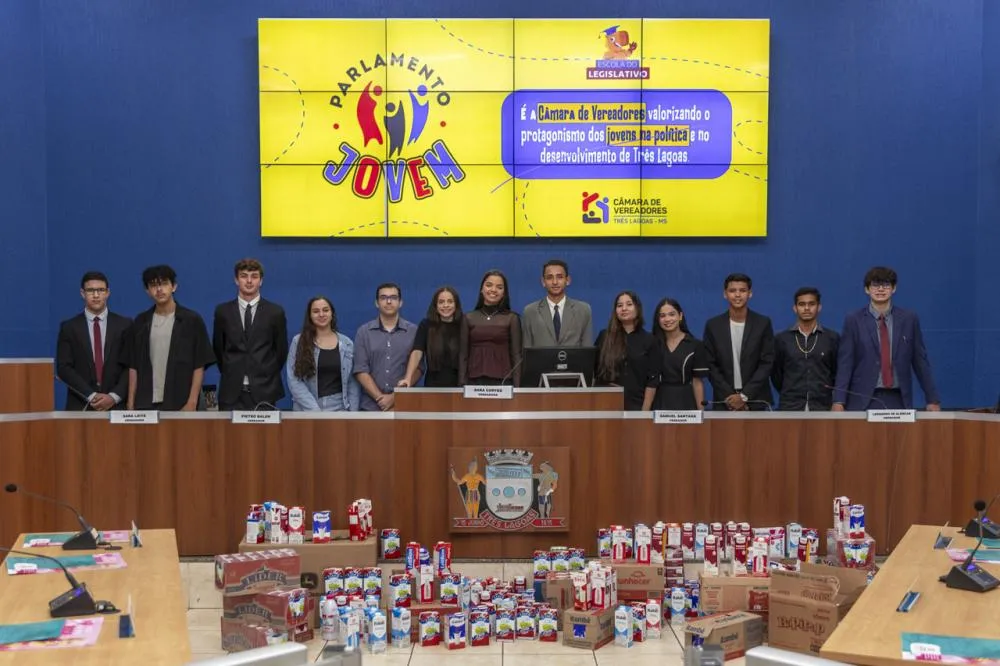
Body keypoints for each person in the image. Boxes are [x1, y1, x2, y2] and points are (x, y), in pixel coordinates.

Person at [833, 267, 940, 411]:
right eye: (875, 285)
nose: (880, 289)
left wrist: (932, 399)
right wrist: (839, 400)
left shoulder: (909, 319)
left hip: (898, 398)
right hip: (862, 399)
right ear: (867, 289)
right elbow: (846, 363)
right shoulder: (854, 320)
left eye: (886, 285)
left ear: (894, 288)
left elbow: (920, 362)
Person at [126, 265, 215, 410]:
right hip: (145, 402)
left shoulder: (192, 320)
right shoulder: (141, 322)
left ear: (174, 286)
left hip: (180, 401)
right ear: (147, 291)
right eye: (154, 285)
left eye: (164, 284)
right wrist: (130, 403)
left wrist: (192, 402)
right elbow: (133, 366)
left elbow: (199, 365)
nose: (159, 289)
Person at [212, 258, 288, 410]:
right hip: (231, 392)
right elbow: (219, 350)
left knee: (266, 435)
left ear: (261, 281)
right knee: (231, 435)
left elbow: (280, 352)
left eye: (254, 276)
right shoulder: (223, 312)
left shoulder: (275, 312)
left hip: (265, 390)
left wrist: (264, 372)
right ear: (236, 280)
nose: (249, 281)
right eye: (244, 276)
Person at [55, 271, 132, 411]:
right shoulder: (69, 327)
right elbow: (63, 368)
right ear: (82, 293)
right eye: (90, 290)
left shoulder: (125, 325)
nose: (96, 295)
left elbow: (131, 366)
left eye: (101, 290)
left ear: (108, 292)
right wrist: (91, 396)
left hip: (117, 406)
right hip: (81, 405)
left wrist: (113, 397)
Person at [702, 273, 775, 410]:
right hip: (725, 400)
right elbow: (710, 365)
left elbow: (767, 363)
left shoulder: (763, 323)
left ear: (750, 293)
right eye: (732, 291)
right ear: (725, 294)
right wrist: (730, 396)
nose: (737, 295)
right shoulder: (713, 325)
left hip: (756, 399)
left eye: (742, 290)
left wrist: (744, 396)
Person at [285, 296, 360, 411]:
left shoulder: (347, 344)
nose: (321, 314)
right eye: (316, 311)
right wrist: (315, 411)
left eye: (325, 310)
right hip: (306, 409)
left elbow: (352, 383)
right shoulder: (299, 341)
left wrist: (353, 413)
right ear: (310, 315)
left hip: (340, 409)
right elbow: (294, 380)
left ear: (332, 313)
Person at [772, 287, 840, 411]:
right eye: (802, 304)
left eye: (811, 304)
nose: (807, 308)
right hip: (790, 406)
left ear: (819, 307)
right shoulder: (782, 339)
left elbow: (836, 372)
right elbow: (776, 375)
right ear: (795, 308)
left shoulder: (832, 338)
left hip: (822, 406)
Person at [353, 283, 417, 411]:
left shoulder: (413, 332)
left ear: (400, 302)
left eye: (393, 297)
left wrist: (394, 397)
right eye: (383, 298)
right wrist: (381, 399)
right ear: (377, 303)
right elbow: (360, 370)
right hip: (370, 407)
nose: (388, 301)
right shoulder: (364, 332)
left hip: (404, 406)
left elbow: (418, 368)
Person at [594, 291, 657, 410]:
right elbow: (593, 371)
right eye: (619, 305)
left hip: (637, 405)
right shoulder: (604, 337)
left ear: (637, 308)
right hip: (606, 404)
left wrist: (644, 412)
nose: (624, 308)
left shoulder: (649, 340)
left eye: (629, 304)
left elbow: (652, 381)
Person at [460, 270, 522, 386]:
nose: (493, 290)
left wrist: (518, 388)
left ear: (504, 293)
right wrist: (461, 385)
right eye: (489, 285)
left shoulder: (512, 318)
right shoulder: (468, 318)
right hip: (473, 382)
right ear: (481, 289)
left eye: (499, 287)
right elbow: (463, 355)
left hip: (504, 382)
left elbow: (516, 355)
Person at [399, 286, 462, 388]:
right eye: (441, 302)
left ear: (456, 305)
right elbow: (417, 352)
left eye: (450, 301)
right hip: (433, 385)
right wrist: (407, 378)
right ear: (435, 306)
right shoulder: (426, 325)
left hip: (460, 386)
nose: (445, 305)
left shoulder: (464, 324)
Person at [651, 298, 709, 410]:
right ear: (658, 320)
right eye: (662, 316)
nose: (667, 319)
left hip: (686, 401)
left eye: (672, 314)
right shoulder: (653, 345)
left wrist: (701, 413)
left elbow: (697, 382)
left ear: (680, 316)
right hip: (660, 401)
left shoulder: (695, 345)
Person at [521, 259, 593, 347]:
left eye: (559, 277)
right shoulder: (530, 311)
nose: (555, 282)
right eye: (549, 277)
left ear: (568, 280)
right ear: (543, 282)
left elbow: (587, 349)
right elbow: (527, 351)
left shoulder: (583, 310)